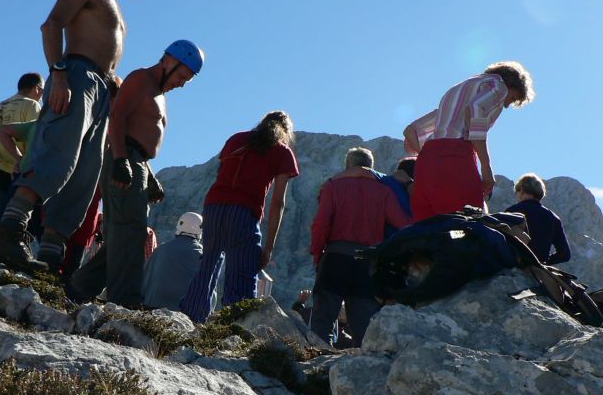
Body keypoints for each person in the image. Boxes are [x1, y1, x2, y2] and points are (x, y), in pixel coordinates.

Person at [0, 0, 151, 274]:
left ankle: (50, 255)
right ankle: (10, 229)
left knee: (84, 175)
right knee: (58, 154)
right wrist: (58, 74)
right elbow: (52, 23)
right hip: (77, 75)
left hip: (102, 90)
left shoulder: (114, 5)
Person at [101, 40, 204, 308]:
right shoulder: (141, 79)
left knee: (125, 236)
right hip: (126, 157)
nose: (182, 83)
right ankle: (125, 300)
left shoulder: (158, 93)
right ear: (169, 60)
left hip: (138, 162)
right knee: (132, 233)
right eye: (182, 76)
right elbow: (118, 116)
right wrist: (121, 160)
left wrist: (149, 175)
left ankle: (80, 286)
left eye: (188, 80)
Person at [180, 111, 300, 323]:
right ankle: (235, 328)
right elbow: (278, 203)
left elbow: (221, 173)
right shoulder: (282, 151)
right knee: (242, 275)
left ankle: (190, 321)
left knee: (208, 265)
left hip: (214, 207)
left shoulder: (236, 139)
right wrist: (269, 248)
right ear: (286, 132)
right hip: (244, 212)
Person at [403, 62, 535, 221]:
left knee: (429, 233)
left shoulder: (456, 91)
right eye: (513, 98)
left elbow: (410, 131)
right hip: (456, 157)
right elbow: (474, 110)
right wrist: (486, 167)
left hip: (425, 166)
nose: (507, 105)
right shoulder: (498, 86)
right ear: (511, 84)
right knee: (471, 224)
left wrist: (427, 155)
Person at [309, 147, 412, 346]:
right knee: (364, 327)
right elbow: (403, 224)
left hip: (336, 257)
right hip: (367, 262)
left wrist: (317, 254)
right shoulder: (384, 191)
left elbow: (321, 224)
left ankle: (315, 368)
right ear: (371, 167)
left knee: (322, 321)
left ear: (348, 166)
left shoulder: (333, 186)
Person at [0, 73, 43, 235]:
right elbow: (34, 139)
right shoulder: (31, 105)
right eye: (42, 89)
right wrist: (22, 160)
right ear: (36, 88)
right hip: (13, 167)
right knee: (4, 217)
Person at [142, 212, 206, 311]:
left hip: (152, 307)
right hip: (185, 312)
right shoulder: (203, 255)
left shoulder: (161, 249)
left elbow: (145, 278)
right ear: (200, 232)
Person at [505, 173, 571, 264]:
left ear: (522, 190)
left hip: (514, 264)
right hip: (538, 269)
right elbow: (565, 254)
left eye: (517, 191)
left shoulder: (511, 212)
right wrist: (544, 262)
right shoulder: (553, 217)